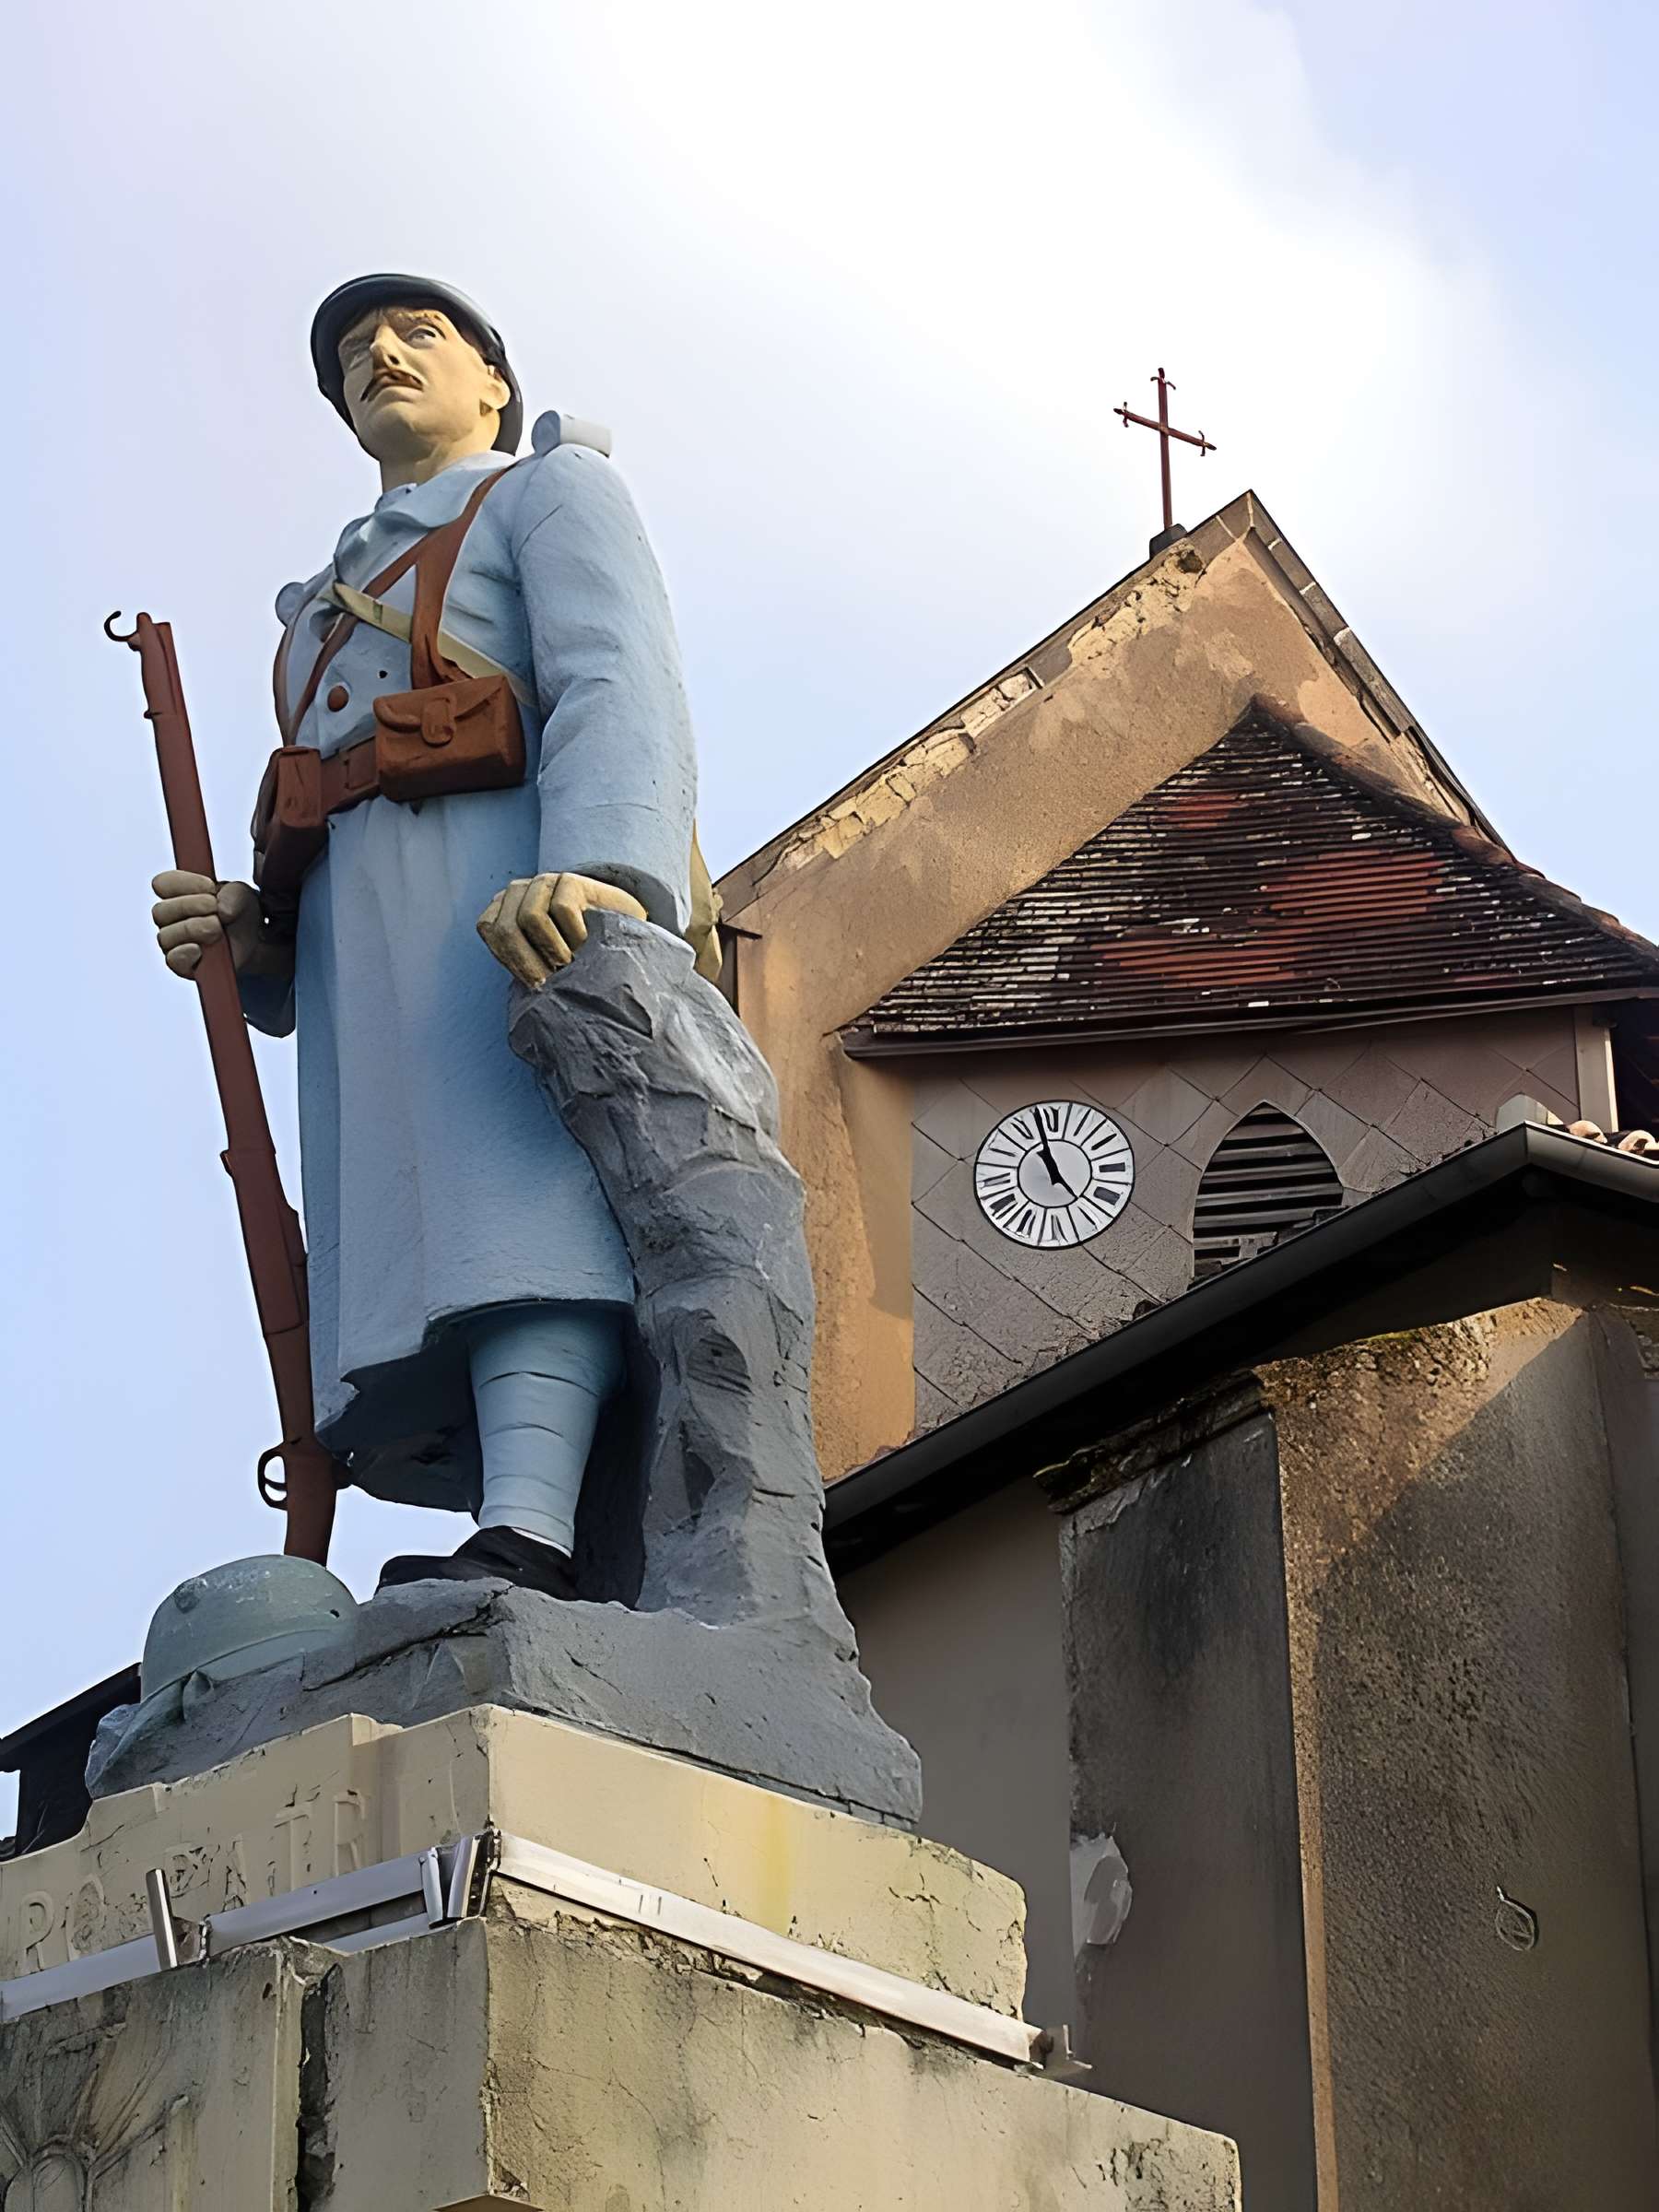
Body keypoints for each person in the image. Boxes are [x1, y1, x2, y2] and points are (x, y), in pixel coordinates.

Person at [148, 275, 707, 1598]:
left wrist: (603, 875)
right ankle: (496, 1502)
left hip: (500, 911)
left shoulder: (547, 493)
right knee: (414, 1229)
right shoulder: (316, 603)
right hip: (363, 967)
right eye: (355, 354)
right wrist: (259, 935)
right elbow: (321, 799)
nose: (382, 357)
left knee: (517, 1198)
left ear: (492, 384)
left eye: (418, 335)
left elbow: (616, 678)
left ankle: (529, 1528)